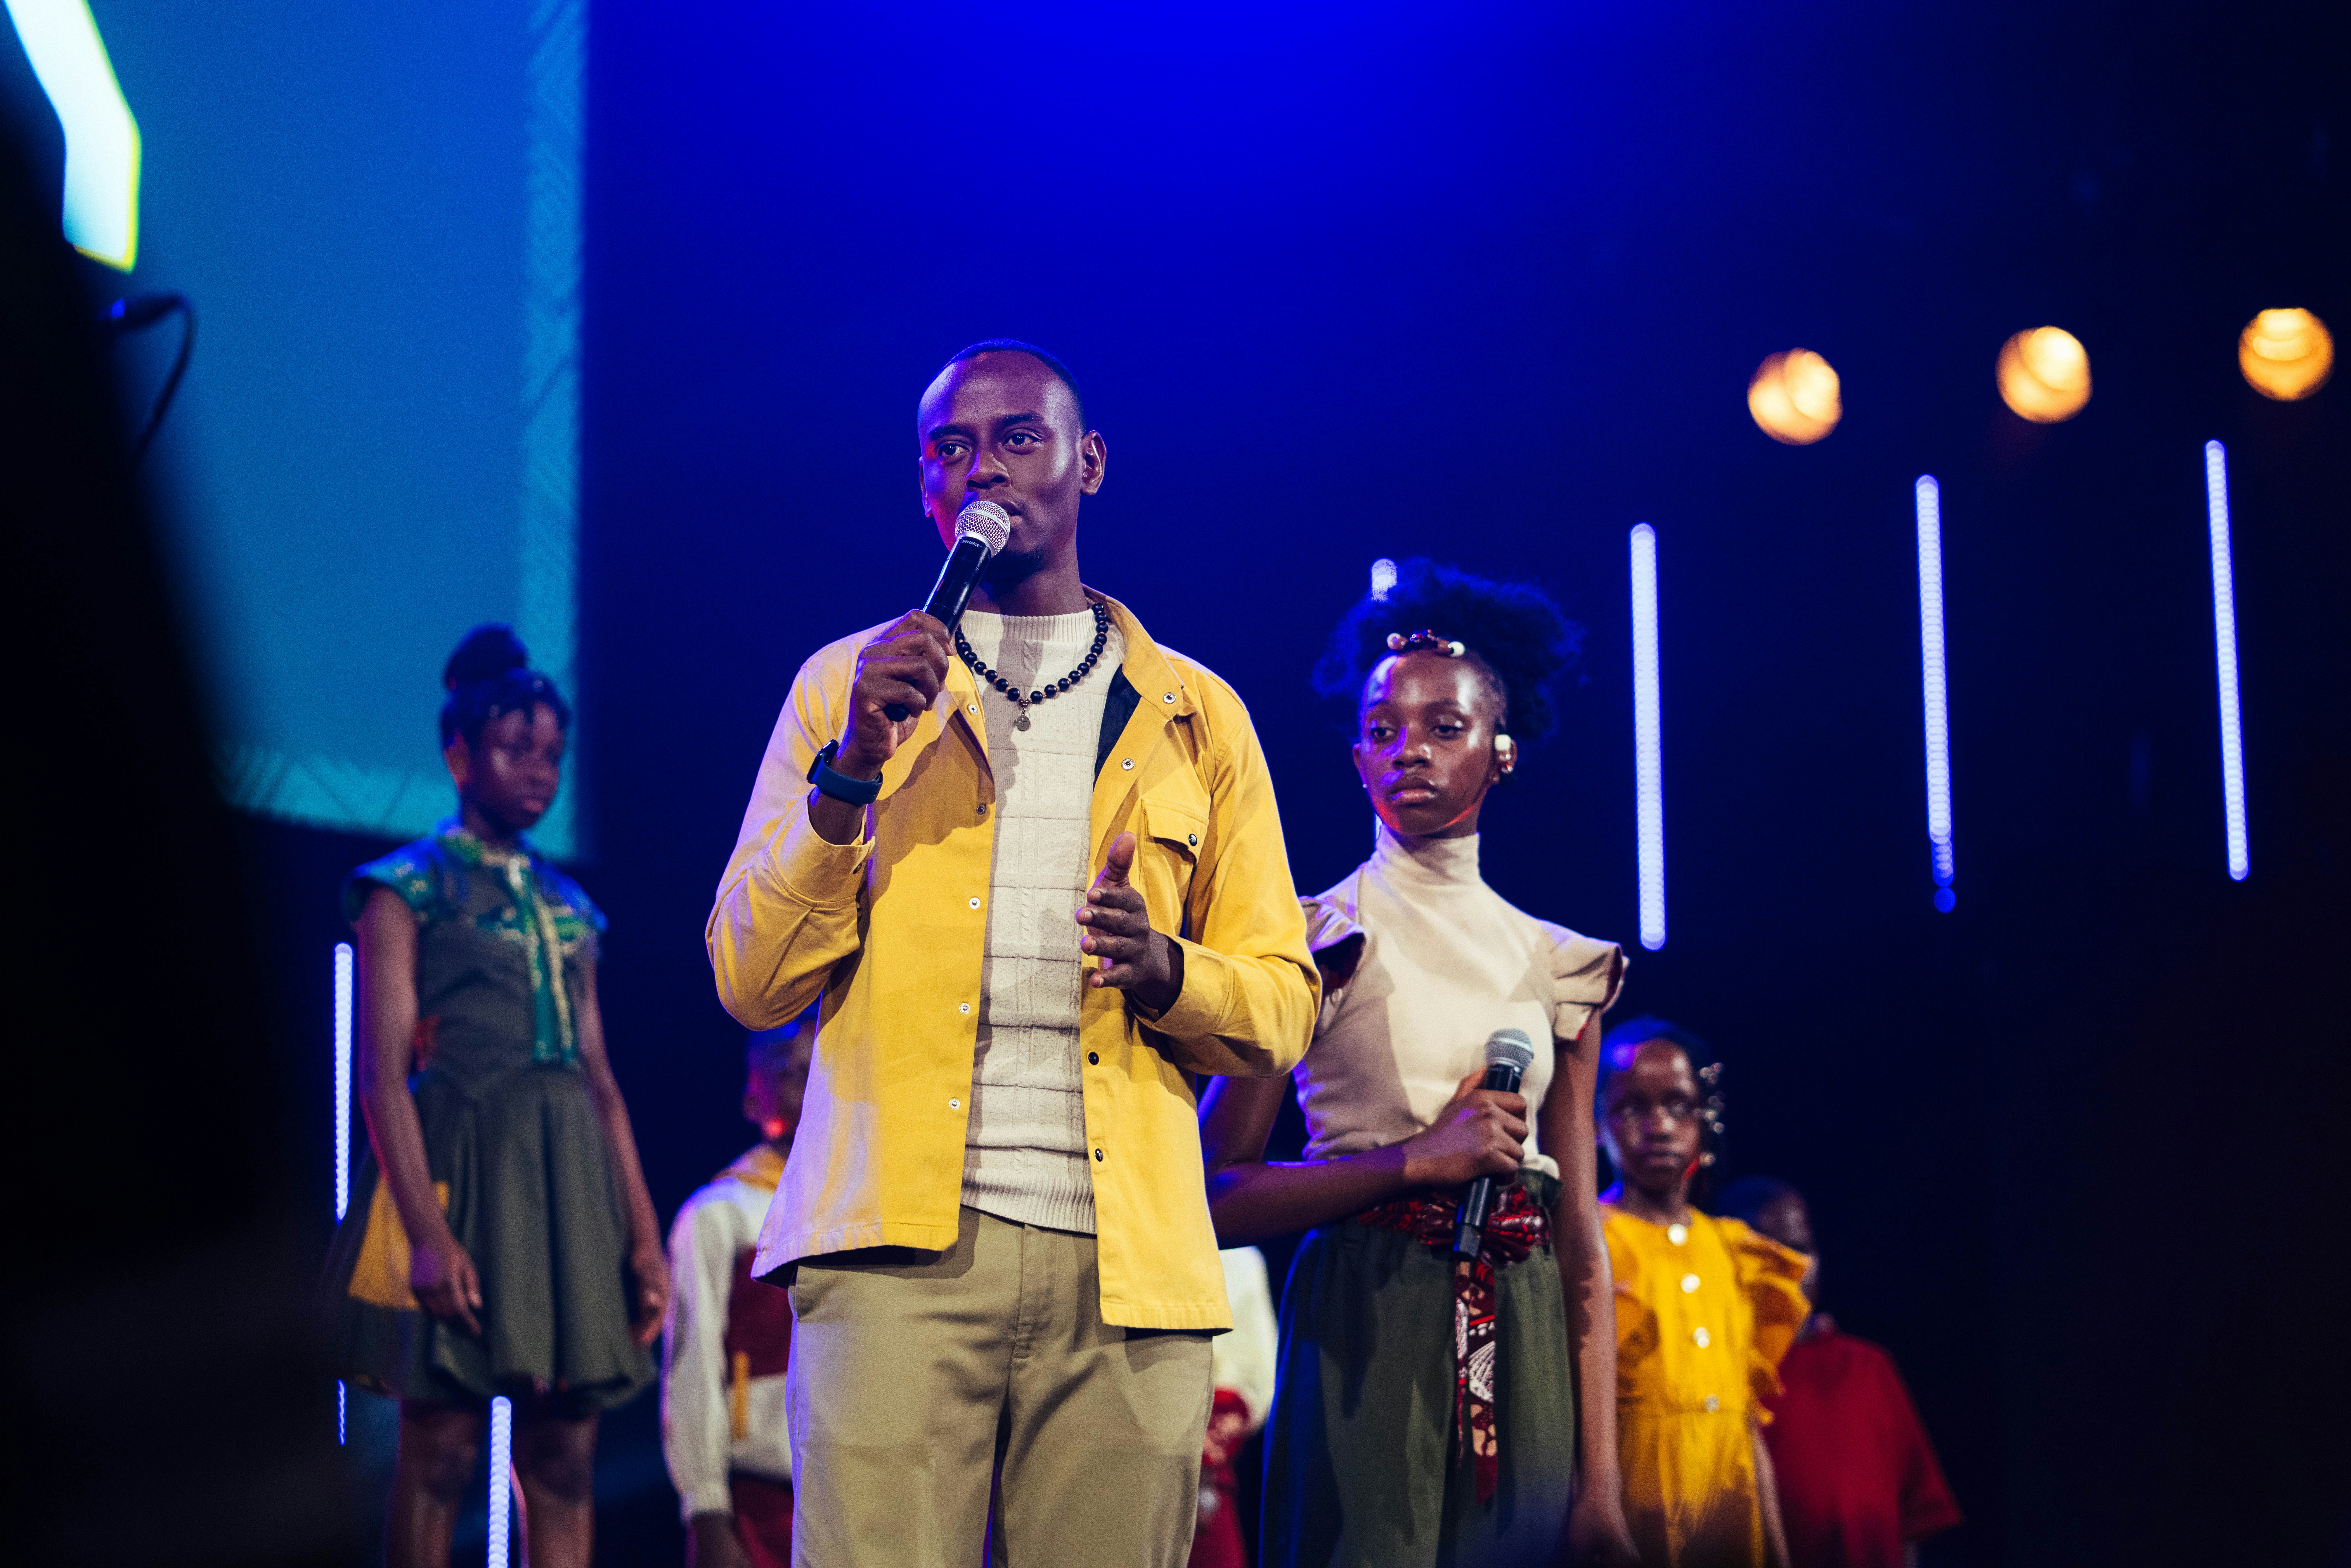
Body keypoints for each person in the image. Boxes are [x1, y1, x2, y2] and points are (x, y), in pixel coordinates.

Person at [706, 340, 1318, 1566]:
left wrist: (1167, 973)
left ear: (1088, 464)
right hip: (891, 1253)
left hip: (1126, 1267)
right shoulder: (845, 688)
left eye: (1015, 440)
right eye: (949, 448)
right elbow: (748, 976)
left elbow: (1283, 1007)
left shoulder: (1198, 711)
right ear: (924, 491)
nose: (980, 467)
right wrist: (845, 784)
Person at [1201, 560, 1638, 1567]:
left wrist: (1602, 1488)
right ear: (1356, 758)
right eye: (1386, 728)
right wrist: (1411, 1162)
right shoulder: (1310, 943)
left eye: (1447, 727)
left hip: (1522, 1319)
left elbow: (1581, 1236)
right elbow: (1210, 1193)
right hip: (1368, 1309)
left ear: (1502, 751)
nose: (1413, 750)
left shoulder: (1558, 964)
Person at [323, 626, 668, 1568]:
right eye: (517, 749)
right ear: (460, 754)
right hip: (463, 1174)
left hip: (566, 1187)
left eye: (553, 755)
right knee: (440, 1452)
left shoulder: (569, 909)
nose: (539, 771)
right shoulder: (408, 888)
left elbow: (601, 1081)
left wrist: (642, 1233)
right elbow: (383, 1072)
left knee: (563, 1453)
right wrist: (429, 1238)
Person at [1598, 1019, 1809, 1568]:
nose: (1659, 1126)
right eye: (1632, 1108)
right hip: (1634, 1531)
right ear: (1598, 1123)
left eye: (1678, 1105)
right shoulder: (1588, 1244)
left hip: (1732, 1528)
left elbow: (1744, 1423)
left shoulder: (1734, 1253)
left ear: (1703, 1119)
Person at [1714, 1179, 1962, 1568]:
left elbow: (1912, 1520)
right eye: (1766, 1250)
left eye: (1801, 1249)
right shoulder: (1718, 1379)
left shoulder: (1868, 1368)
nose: (1790, 1267)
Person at [662, 1022, 818, 1568]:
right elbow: (693, 1367)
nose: (805, 1076)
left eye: (815, 1064)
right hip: (761, 1499)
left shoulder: (865, 1208)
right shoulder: (720, 1214)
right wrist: (706, 1508)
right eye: (788, 1069)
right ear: (754, 1101)